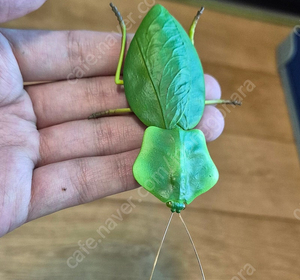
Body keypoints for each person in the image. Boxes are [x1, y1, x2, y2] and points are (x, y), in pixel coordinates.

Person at [0, 0, 224, 237]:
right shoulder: (192, 113)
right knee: (183, 78)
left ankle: (170, 30)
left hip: (164, 88)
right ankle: (179, 31)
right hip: (173, 77)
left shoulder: (179, 117)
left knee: (127, 82)